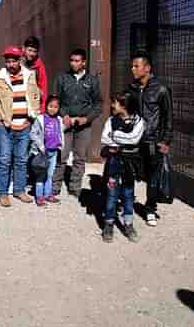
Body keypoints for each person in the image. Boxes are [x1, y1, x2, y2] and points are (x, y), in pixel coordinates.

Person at [0, 46, 41, 207]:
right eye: (7, 61)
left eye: (13, 60)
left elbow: (35, 96)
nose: (10, 64)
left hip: (24, 125)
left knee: (21, 160)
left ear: (20, 60)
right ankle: (2, 193)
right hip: (5, 127)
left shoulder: (30, 75)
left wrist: (32, 117)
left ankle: (19, 190)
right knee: (4, 160)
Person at [127, 51, 173, 227]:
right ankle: (128, 204)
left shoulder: (161, 89)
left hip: (153, 140)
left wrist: (166, 141)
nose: (132, 69)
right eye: (132, 66)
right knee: (129, 173)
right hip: (133, 140)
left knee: (153, 177)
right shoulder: (131, 88)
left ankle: (150, 208)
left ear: (147, 68)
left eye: (136, 66)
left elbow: (168, 117)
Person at [52, 48, 103, 198]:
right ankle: (55, 186)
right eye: (71, 60)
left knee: (79, 157)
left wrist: (86, 119)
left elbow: (98, 104)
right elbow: (56, 101)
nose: (73, 63)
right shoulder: (63, 78)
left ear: (84, 62)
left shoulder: (92, 80)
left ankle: (75, 187)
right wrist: (64, 115)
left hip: (84, 125)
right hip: (66, 123)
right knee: (62, 155)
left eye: (77, 61)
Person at [100, 92, 145, 243]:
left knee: (128, 195)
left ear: (124, 106)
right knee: (111, 195)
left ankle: (128, 224)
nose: (112, 105)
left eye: (115, 103)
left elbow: (134, 139)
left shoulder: (138, 121)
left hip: (130, 166)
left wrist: (116, 136)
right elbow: (104, 138)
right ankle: (109, 224)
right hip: (114, 164)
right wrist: (121, 143)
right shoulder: (111, 120)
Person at [29, 95, 64, 206]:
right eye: (50, 106)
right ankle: (39, 197)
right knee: (41, 175)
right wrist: (40, 145)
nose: (52, 109)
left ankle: (48, 194)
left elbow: (60, 132)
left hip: (54, 152)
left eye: (55, 107)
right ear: (46, 106)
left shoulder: (59, 119)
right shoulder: (41, 119)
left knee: (49, 175)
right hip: (42, 152)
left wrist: (60, 144)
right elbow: (33, 133)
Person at [21, 36, 48, 110]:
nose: (32, 54)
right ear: (23, 48)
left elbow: (43, 87)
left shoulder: (39, 65)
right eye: (30, 50)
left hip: (33, 103)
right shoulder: (16, 61)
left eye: (35, 51)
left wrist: (42, 109)